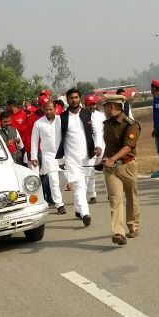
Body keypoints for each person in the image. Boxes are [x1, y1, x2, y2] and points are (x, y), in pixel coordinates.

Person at [56, 88, 102, 226]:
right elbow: (57, 140)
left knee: (84, 183)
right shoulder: (62, 118)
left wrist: (98, 145)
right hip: (71, 157)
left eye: (76, 97)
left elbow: (96, 131)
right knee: (79, 185)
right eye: (71, 98)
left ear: (80, 99)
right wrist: (60, 159)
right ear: (67, 100)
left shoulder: (88, 114)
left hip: (88, 155)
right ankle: (85, 213)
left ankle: (78, 209)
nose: (74, 100)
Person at [101, 95, 141, 245]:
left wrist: (113, 159)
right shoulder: (107, 124)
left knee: (131, 197)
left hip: (127, 166)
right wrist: (105, 158)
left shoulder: (131, 125)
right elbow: (109, 145)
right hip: (111, 169)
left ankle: (133, 225)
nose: (103, 109)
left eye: (105, 106)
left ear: (112, 107)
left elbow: (128, 146)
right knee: (115, 199)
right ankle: (118, 232)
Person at [29, 101, 65, 214]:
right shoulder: (38, 123)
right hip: (48, 155)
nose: (48, 112)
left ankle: (57, 197)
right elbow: (34, 140)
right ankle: (60, 205)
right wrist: (34, 156)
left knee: (65, 178)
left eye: (51, 109)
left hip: (62, 154)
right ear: (43, 110)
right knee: (53, 180)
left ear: (55, 109)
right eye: (46, 110)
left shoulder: (61, 120)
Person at [83, 94, 105, 204]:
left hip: (102, 146)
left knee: (107, 169)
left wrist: (100, 146)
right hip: (89, 147)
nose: (92, 106)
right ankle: (92, 195)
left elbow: (102, 131)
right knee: (90, 171)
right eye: (90, 104)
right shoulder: (82, 115)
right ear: (85, 105)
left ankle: (111, 193)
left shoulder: (101, 116)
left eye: (93, 104)